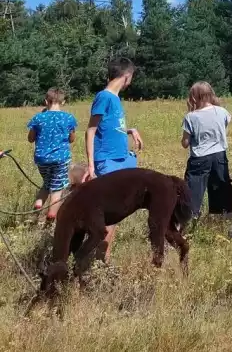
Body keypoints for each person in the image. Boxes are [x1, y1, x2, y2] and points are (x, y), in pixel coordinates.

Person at [86, 57, 144, 263]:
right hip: (107, 160)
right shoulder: (104, 97)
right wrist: (91, 165)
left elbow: (110, 127)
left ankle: (103, 257)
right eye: (131, 77)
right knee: (110, 211)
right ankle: (98, 258)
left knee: (117, 210)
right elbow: (91, 130)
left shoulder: (115, 99)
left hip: (120, 158)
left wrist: (130, 130)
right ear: (127, 76)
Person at [180, 81, 232, 221]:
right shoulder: (222, 111)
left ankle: (190, 218)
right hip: (219, 156)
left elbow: (185, 143)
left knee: (193, 191)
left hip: (200, 158)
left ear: (194, 98)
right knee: (221, 188)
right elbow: (223, 127)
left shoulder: (191, 117)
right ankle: (225, 218)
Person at [27, 87, 77, 223]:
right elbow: (72, 139)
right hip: (61, 159)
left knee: (46, 184)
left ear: (45, 101)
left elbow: (30, 138)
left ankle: (38, 205)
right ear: (63, 102)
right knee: (57, 188)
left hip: (42, 159)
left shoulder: (38, 118)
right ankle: (51, 215)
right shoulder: (68, 118)